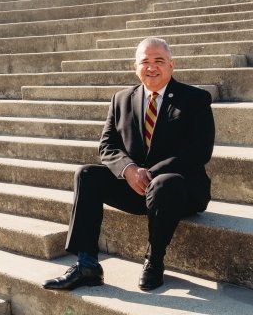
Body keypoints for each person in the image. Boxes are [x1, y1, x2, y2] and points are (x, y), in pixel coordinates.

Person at [43, 37, 215, 291]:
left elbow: (198, 150)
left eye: (159, 61)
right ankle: (87, 264)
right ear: (135, 67)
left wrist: (150, 174)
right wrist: (129, 170)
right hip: (137, 189)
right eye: (145, 61)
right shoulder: (121, 99)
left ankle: (153, 261)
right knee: (87, 174)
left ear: (172, 65)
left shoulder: (196, 99)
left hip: (180, 191)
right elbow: (107, 147)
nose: (152, 67)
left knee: (165, 183)